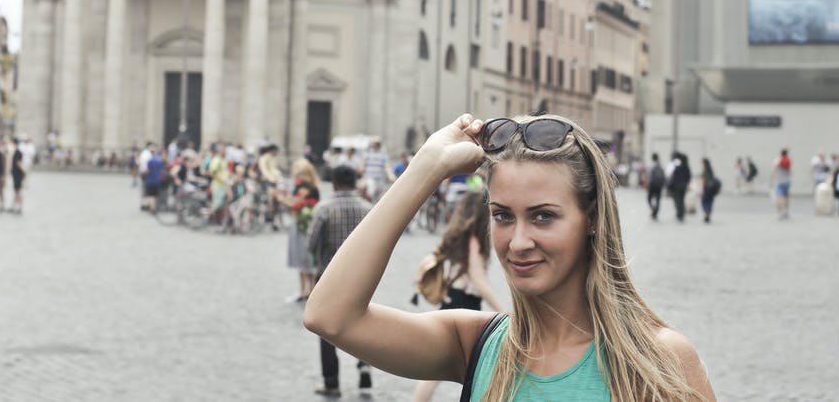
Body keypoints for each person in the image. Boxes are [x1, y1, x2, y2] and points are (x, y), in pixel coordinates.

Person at [304, 114, 714, 401]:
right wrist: (426, 168)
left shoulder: (657, 362)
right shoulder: (478, 346)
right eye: (502, 215)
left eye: (543, 216)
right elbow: (330, 316)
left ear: (591, 220)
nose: (517, 242)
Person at [411, 190, 507, 402]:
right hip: (464, 302)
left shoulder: (461, 236)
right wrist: (503, 310)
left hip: (455, 298)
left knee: (448, 367)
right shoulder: (474, 239)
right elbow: (478, 279)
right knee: (453, 366)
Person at [305, 165, 374, 397]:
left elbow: (311, 245)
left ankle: (332, 382)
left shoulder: (324, 209)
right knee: (363, 322)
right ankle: (365, 364)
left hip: (329, 277)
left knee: (326, 328)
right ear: (355, 182)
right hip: (362, 276)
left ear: (333, 183)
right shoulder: (368, 209)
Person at [277, 158, 321, 302]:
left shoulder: (305, 187)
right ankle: (307, 291)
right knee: (305, 261)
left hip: (303, 225)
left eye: (300, 174)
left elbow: (294, 203)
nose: (298, 177)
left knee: (305, 259)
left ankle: (308, 291)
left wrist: (280, 197)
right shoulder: (312, 186)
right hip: (303, 223)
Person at [666, 152, 691, 223]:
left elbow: (674, 176)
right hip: (683, 186)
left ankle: (679, 214)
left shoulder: (678, 167)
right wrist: (687, 183)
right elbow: (688, 177)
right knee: (681, 200)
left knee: (678, 200)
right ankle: (681, 214)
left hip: (677, 186)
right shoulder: (686, 167)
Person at [771, 149, 792, 220]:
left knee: (780, 198)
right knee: (786, 197)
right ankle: (786, 211)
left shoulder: (777, 160)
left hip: (779, 181)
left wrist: (772, 180)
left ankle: (780, 212)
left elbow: (773, 170)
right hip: (787, 181)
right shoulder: (788, 160)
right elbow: (791, 172)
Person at [700, 159, 721, 223]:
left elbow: (704, 181)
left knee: (704, 202)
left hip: (706, 189)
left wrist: (702, 190)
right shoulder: (711, 171)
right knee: (709, 202)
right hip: (712, 190)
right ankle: (708, 213)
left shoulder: (705, 171)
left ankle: (706, 213)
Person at [10, 138, 27, 214]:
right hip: (15, 174)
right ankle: (14, 206)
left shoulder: (18, 153)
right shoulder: (16, 152)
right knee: (16, 191)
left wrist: (24, 172)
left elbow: (18, 163)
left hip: (17, 174)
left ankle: (20, 207)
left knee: (18, 191)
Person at [646, 153, 665, 220]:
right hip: (659, 185)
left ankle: (653, 209)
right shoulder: (660, 165)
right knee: (658, 199)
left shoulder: (650, 165)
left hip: (652, 184)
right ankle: (655, 213)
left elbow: (648, 175)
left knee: (649, 198)